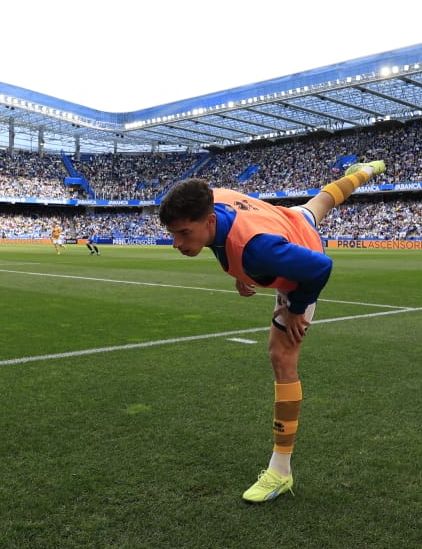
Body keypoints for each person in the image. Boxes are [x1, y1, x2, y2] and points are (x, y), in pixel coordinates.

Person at [158, 158, 387, 504]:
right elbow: (228, 236)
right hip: (286, 219)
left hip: (300, 257)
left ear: (209, 220)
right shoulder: (212, 199)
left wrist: (296, 310)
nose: (176, 242)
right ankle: (365, 171)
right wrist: (241, 272)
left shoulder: (258, 251)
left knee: (281, 356)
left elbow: (320, 268)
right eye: (172, 234)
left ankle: (281, 470)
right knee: (322, 201)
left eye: (183, 233)